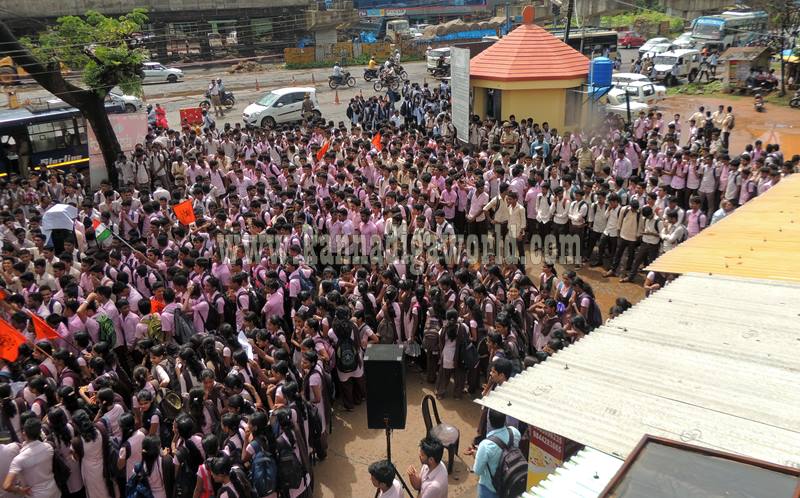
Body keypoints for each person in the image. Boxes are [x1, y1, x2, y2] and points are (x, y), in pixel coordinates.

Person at [3, 418, 60, 498]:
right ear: (39, 433)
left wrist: (20, 490)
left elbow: (6, 486)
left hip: (35, 494)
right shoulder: (49, 448)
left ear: (24, 433)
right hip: (53, 491)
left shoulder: (19, 459)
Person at [473, 409, 522, 498]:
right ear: (505, 420)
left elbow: (477, 470)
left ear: (490, 421)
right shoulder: (515, 432)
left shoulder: (485, 445)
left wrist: (476, 455)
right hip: (510, 483)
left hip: (489, 489)